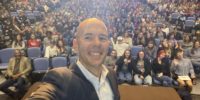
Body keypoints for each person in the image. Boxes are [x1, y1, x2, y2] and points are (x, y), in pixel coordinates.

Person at [26, 18, 120, 100]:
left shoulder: (111, 75)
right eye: (88, 37)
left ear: (108, 44)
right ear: (75, 45)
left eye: (102, 38)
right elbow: (44, 94)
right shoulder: (61, 79)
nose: (97, 43)